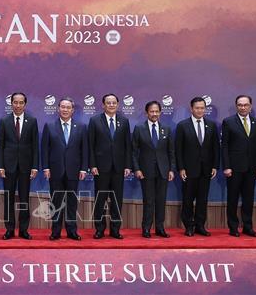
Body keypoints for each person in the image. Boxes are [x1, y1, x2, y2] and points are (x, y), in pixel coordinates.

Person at [41, 97, 88, 241]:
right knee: (56, 202)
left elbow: (84, 149)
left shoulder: (81, 127)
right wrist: (46, 167)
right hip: (55, 170)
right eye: (63, 107)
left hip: (74, 170)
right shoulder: (49, 126)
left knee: (72, 202)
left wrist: (83, 169)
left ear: (72, 110)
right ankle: (55, 231)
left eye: (68, 107)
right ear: (58, 108)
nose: (65, 110)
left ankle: (72, 231)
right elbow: (44, 149)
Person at [88, 93, 132, 239]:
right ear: (103, 105)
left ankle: (115, 230)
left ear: (118, 105)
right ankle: (99, 229)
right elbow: (91, 146)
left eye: (114, 103)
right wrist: (92, 165)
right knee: (100, 199)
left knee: (116, 200)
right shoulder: (95, 121)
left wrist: (127, 165)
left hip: (119, 168)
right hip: (101, 168)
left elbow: (127, 146)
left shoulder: (124, 121)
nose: (111, 105)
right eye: (108, 103)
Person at [0, 92, 39, 240]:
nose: (18, 105)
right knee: (9, 198)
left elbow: (35, 146)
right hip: (8, 167)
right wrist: (0, 166)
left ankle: (23, 230)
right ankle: (9, 229)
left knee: (24, 199)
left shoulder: (32, 121)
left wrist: (34, 167)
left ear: (25, 104)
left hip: (26, 167)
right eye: (15, 102)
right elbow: (0, 145)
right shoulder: (4, 121)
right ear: (11, 103)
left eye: (21, 102)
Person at [175, 97, 219, 237]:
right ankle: (188, 226)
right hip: (188, 170)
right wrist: (181, 168)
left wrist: (215, 166)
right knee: (188, 200)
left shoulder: (211, 125)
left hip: (206, 170)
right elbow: (178, 149)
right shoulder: (182, 125)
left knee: (202, 199)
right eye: (197, 108)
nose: (200, 110)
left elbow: (215, 148)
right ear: (191, 109)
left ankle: (200, 225)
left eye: (202, 108)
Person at [221, 95, 256, 237]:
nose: (243, 107)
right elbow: (225, 146)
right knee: (232, 198)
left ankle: (247, 227)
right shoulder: (228, 122)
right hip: (234, 168)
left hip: (251, 168)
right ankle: (233, 227)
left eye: (245, 105)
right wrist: (226, 166)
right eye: (240, 105)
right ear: (236, 106)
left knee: (248, 199)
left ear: (250, 106)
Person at [132, 101, 175, 238]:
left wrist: (171, 169)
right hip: (146, 171)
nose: (154, 114)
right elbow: (133, 152)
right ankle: (146, 228)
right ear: (146, 113)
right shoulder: (139, 128)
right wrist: (137, 169)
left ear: (160, 113)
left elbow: (171, 151)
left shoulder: (166, 129)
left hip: (163, 171)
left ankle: (160, 228)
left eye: (157, 111)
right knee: (149, 201)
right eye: (152, 111)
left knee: (161, 201)